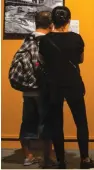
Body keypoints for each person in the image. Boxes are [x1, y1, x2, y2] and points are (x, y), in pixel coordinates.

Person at [38, 6, 94, 169]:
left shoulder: (44, 40)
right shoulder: (76, 38)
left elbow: (42, 62)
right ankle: (85, 160)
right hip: (73, 83)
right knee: (81, 122)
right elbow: (80, 59)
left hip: (53, 85)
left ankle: (61, 161)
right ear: (68, 20)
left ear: (52, 22)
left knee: (56, 123)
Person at [12, 12, 53, 166]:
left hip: (27, 90)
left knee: (28, 122)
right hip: (43, 90)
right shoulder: (48, 41)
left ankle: (28, 156)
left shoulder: (27, 40)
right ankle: (48, 157)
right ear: (51, 24)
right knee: (46, 123)